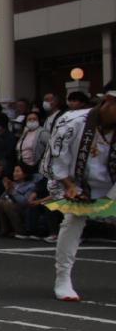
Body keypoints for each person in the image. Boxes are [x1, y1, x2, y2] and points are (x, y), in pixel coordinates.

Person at [40, 81, 116, 301]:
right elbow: (55, 160)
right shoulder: (71, 121)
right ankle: (63, 278)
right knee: (73, 220)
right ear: (109, 102)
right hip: (75, 182)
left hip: (110, 184)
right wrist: (71, 187)